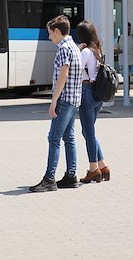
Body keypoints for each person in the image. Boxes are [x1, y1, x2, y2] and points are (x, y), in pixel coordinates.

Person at [29, 15, 83, 192]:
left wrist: (53, 101)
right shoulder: (74, 46)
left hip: (64, 100)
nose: (49, 37)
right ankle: (71, 175)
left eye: (50, 33)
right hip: (75, 99)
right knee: (69, 138)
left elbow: (63, 75)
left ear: (57, 31)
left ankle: (49, 179)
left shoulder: (63, 49)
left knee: (54, 138)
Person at [76, 20, 111, 184]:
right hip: (98, 95)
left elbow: (76, 70)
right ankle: (103, 166)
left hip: (86, 92)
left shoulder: (85, 52)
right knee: (89, 132)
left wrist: (78, 50)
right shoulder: (97, 50)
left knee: (88, 134)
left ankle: (93, 169)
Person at [115, 22, 133, 102]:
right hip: (123, 61)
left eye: (129, 28)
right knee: (126, 79)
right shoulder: (119, 38)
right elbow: (114, 50)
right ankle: (127, 95)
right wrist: (122, 50)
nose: (128, 30)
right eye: (127, 28)